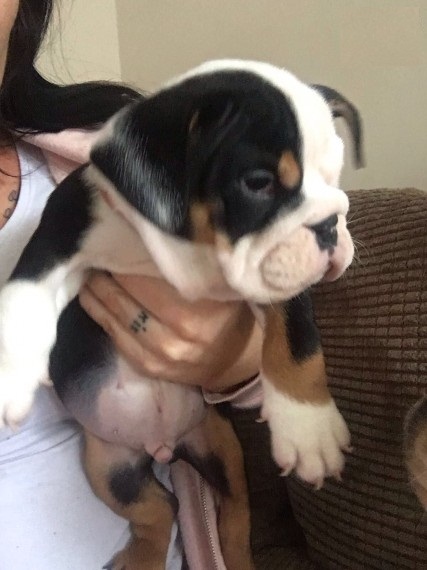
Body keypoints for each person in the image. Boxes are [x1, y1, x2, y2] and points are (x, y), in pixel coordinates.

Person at [0, 2, 264, 569]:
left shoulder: (115, 142)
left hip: (183, 422)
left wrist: (234, 358)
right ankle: (151, 525)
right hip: (111, 458)